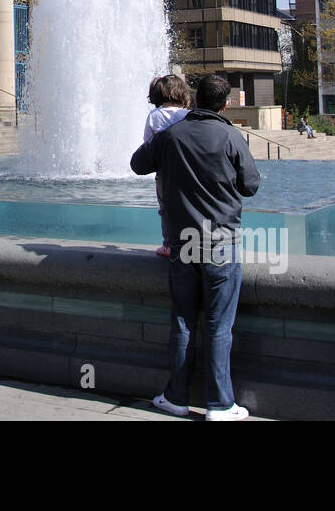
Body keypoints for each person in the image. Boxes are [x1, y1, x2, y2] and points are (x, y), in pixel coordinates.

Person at [131, 74, 260, 422]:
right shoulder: (231, 135)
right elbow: (250, 185)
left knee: (183, 322)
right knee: (219, 326)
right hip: (221, 243)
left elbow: (137, 164)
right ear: (225, 103)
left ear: (196, 99)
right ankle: (220, 405)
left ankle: (175, 398)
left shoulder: (170, 136)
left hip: (182, 244)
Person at [142, 74, 193, 258]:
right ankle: (191, 243)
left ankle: (169, 245)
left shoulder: (154, 116)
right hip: (189, 169)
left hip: (165, 172)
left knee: (166, 209)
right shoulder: (188, 115)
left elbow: (148, 144)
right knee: (188, 207)